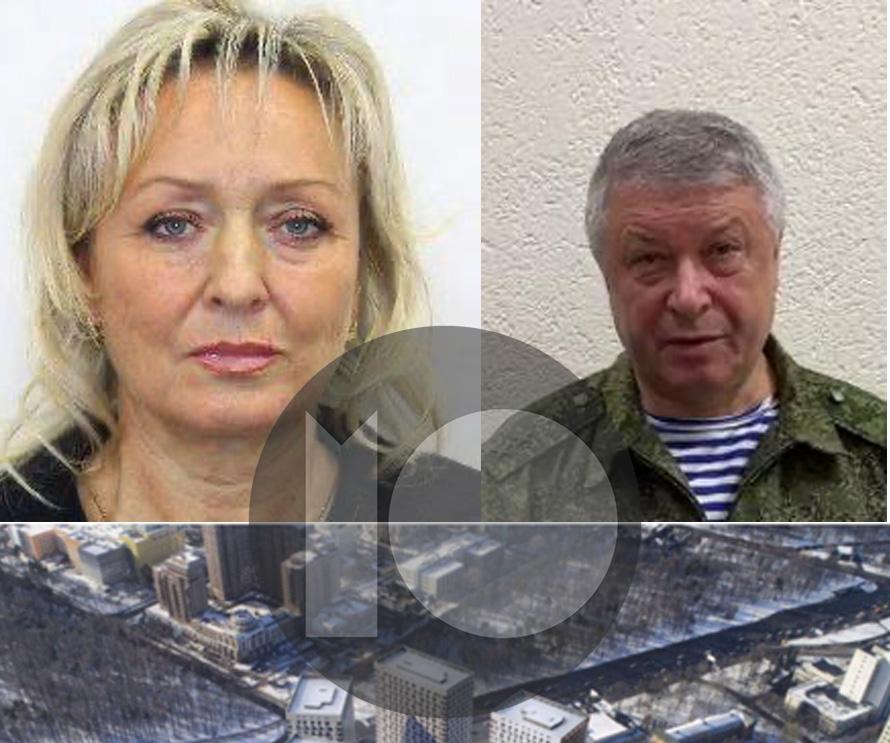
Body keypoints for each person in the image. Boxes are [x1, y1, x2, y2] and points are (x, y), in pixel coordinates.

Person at [0, 0, 433, 522]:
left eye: (299, 224)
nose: (238, 284)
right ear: (83, 272)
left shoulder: (475, 532)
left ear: (364, 272)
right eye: (173, 225)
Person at [483, 109, 886, 523]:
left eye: (722, 250)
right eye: (649, 258)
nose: (689, 298)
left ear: (775, 258)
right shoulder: (521, 474)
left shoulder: (875, 457)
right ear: (607, 274)